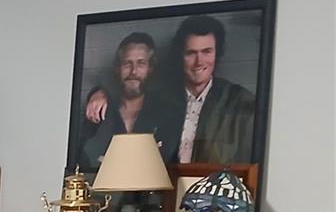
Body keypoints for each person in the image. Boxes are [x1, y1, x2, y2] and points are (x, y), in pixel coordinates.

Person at [84, 15, 257, 164]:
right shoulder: (160, 98)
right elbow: (128, 94)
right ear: (181, 55)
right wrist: (100, 93)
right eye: (191, 53)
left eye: (206, 52)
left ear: (217, 54)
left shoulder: (237, 100)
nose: (199, 62)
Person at [77, 32, 178, 169]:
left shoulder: (166, 112)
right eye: (127, 63)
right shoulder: (100, 112)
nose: (133, 71)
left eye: (141, 63)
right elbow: (82, 161)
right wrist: (98, 92)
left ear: (150, 68)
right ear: (118, 68)